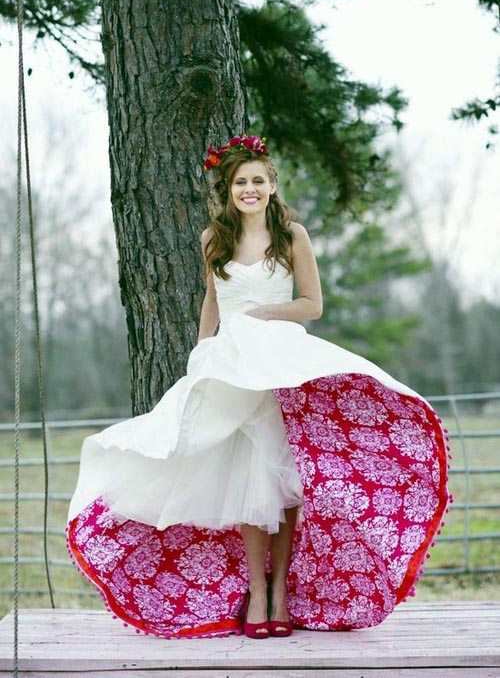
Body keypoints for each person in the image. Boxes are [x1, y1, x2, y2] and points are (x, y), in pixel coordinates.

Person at [66, 135, 451, 641]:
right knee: (248, 482)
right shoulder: (214, 239)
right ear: (228, 190)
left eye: (257, 181)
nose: (249, 189)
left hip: (279, 363)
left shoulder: (291, 235)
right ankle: (256, 591)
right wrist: (202, 352)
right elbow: (212, 300)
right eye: (240, 183)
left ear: (272, 186)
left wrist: (265, 313)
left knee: (282, 483)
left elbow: (312, 304)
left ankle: (280, 593)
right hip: (231, 366)